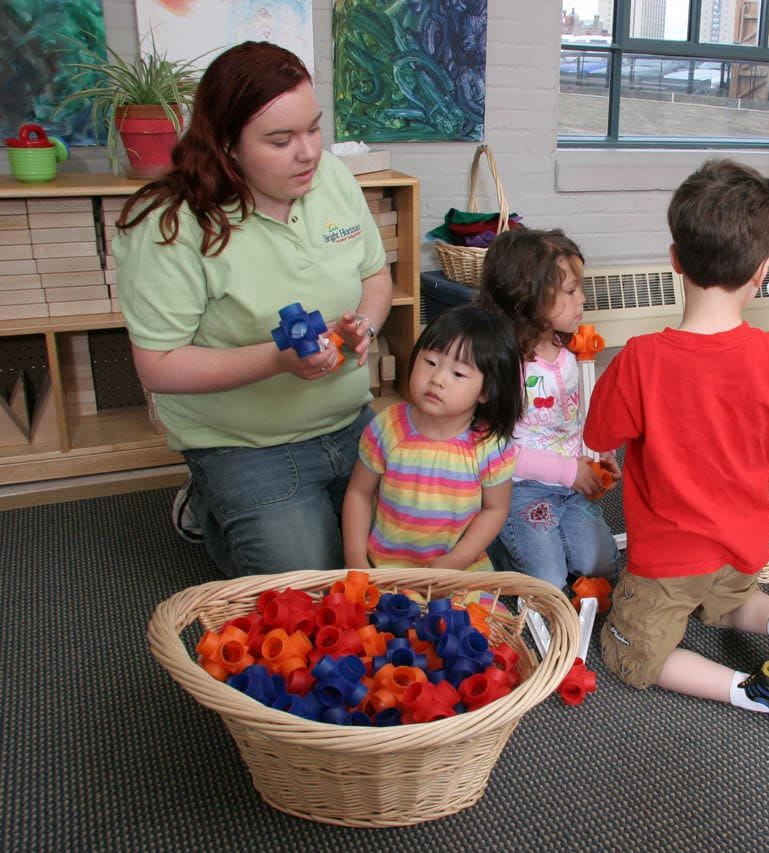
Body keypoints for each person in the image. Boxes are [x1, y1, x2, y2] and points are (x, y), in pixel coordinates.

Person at [585, 160, 769, 722]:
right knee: (730, 601)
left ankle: (751, 689)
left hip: (667, 561)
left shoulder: (641, 359)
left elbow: (598, 435)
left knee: (625, 651)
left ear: (674, 260)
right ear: (762, 271)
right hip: (743, 549)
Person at [113, 42, 392, 577]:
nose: (308, 152)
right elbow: (159, 366)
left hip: (348, 419)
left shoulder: (331, 177)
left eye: (313, 128)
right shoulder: (169, 225)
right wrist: (278, 360)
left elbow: (374, 277)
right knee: (309, 583)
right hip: (244, 443)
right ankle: (209, 503)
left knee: (411, 544)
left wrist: (366, 324)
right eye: (281, 140)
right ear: (226, 146)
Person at [477, 229, 622, 591]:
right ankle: (495, 536)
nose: (582, 301)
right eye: (571, 292)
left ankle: (543, 538)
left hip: (574, 485)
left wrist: (601, 450)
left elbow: (581, 412)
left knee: (600, 564)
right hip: (523, 488)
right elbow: (493, 449)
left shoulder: (568, 351)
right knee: (549, 582)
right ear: (529, 297)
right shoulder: (504, 365)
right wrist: (565, 470)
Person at [342, 305, 522, 570]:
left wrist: (457, 560)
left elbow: (495, 509)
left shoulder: (489, 446)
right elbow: (359, 492)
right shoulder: (387, 427)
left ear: (486, 391)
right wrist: (355, 558)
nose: (437, 379)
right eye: (430, 362)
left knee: (481, 613)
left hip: (459, 573)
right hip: (387, 570)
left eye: (458, 373)